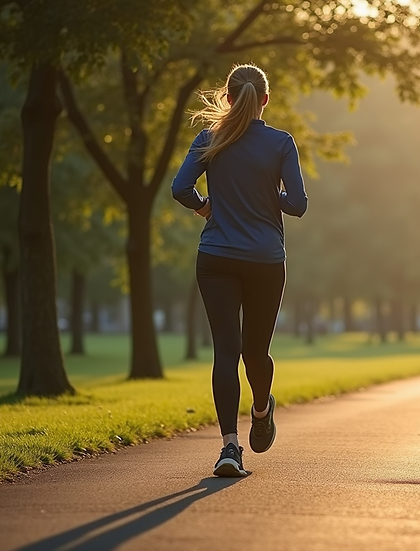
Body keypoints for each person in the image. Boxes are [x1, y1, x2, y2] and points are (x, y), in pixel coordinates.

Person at [171, 64, 307, 477]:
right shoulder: (281, 143)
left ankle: (230, 449)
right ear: (265, 99)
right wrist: (270, 194)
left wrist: (204, 205)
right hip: (265, 260)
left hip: (216, 258)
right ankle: (262, 409)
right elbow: (298, 205)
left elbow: (180, 188)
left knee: (225, 353)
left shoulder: (209, 138)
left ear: (228, 99)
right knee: (255, 352)